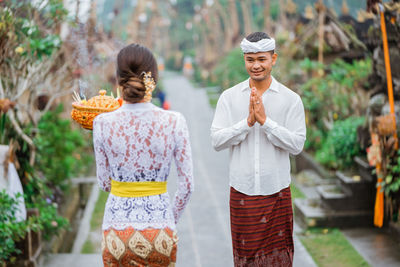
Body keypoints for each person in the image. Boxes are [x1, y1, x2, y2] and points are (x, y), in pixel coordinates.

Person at [93, 44, 194, 266]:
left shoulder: (101, 123)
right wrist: (168, 217)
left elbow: (104, 183)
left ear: (118, 79)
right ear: (154, 78)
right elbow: (187, 187)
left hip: (117, 232)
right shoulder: (174, 121)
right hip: (160, 230)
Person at [211, 32, 306, 266]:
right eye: (250, 59)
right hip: (242, 193)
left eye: (261, 59)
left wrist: (266, 122)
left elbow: (297, 145)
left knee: (279, 260)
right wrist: (247, 124)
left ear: (273, 59)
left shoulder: (290, 99)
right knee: (245, 261)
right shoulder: (229, 98)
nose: (256, 65)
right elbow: (217, 141)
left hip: (277, 192)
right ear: (244, 60)